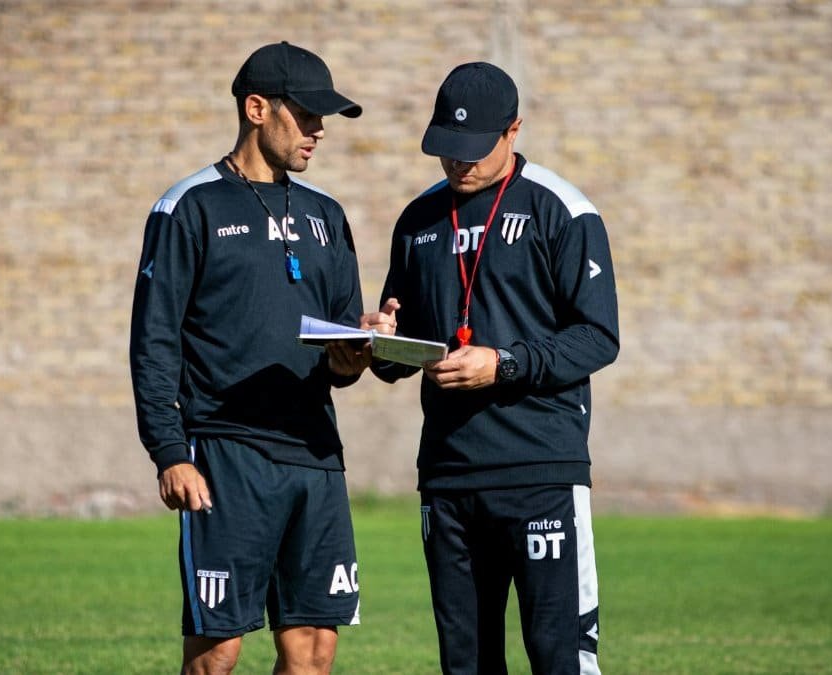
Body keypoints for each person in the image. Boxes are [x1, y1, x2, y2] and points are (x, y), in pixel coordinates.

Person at [362, 62, 619, 675]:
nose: (459, 163)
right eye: (447, 150)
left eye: (475, 149)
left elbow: (598, 338)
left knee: (560, 657)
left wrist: (502, 365)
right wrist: (384, 341)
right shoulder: (417, 221)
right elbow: (402, 359)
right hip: (448, 479)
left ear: (514, 130)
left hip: (540, 471)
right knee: (467, 665)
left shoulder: (563, 209)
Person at [129, 41, 369, 675]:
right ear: (256, 108)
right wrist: (170, 451)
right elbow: (154, 340)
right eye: (307, 114)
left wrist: (360, 350)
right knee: (217, 653)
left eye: (325, 118)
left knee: (314, 650)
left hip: (316, 456)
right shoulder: (189, 206)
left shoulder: (327, 215)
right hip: (226, 455)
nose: (319, 130)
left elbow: (338, 356)